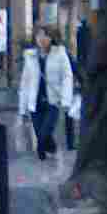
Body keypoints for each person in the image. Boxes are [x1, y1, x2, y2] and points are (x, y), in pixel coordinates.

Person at [18, 25, 73, 160]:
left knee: (43, 135)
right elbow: (25, 83)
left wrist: (66, 100)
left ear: (51, 38)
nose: (42, 39)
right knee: (41, 136)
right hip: (35, 103)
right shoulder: (30, 56)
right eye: (39, 35)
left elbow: (67, 77)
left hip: (52, 101)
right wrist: (22, 109)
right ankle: (52, 151)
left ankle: (44, 155)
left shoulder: (60, 54)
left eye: (45, 35)